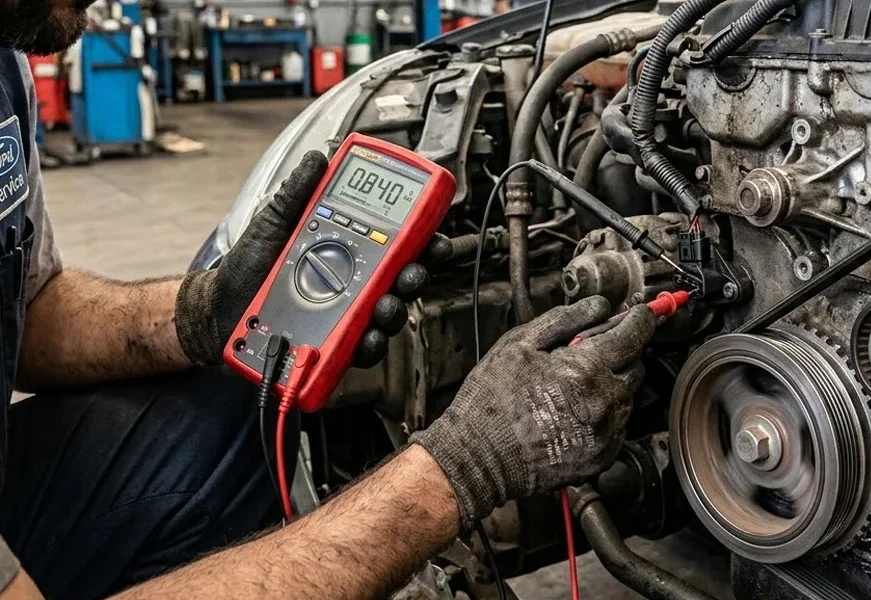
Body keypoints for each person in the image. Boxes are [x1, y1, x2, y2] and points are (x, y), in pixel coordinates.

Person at [0, 3, 657, 598]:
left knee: (247, 392)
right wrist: (453, 474)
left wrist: (199, 312)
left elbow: (27, 310)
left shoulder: (8, 65)